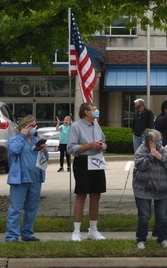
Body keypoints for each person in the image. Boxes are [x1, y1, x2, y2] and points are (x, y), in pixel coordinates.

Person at [68, 101, 108, 241]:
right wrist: (89, 145)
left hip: (97, 161)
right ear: (87, 112)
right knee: (81, 195)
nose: (96, 111)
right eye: (94, 109)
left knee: (96, 194)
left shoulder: (96, 124)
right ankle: (77, 231)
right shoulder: (76, 127)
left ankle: (93, 230)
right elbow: (71, 148)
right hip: (83, 162)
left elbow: (104, 141)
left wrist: (102, 146)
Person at [5, 115, 47, 242]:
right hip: (20, 180)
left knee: (32, 209)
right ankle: (12, 236)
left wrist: (45, 151)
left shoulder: (36, 141)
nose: (34, 128)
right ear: (23, 126)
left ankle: (27, 234)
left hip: (35, 179)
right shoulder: (14, 140)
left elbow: (43, 161)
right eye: (31, 126)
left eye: (35, 126)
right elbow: (14, 150)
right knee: (16, 209)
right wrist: (22, 136)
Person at [132, 129, 167, 249]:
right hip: (143, 189)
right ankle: (141, 239)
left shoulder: (164, 150)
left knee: (162, 216)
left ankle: (162, 238)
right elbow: (140, 166)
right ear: (150, 142)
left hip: (161, 188)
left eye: (160, 140)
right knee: (144, 216)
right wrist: (151, 155)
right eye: (157, 141)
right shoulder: (141, 151)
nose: (160, 143)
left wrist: (161, 158)